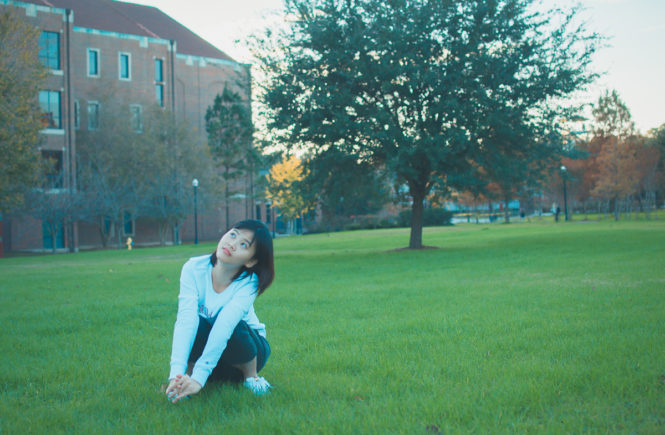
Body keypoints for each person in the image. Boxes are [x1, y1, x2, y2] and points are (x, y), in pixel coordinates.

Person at [165, 220, 275, 403]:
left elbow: (225, 326)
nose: (232, 244)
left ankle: (252, 378)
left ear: (251, 261)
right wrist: (175, 373)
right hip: (218, 359)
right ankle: (184, 381)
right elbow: (186, 321)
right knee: (197, 322)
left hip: (249, 352)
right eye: (233, 234)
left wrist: (201, 378)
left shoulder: (249, 282)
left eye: (243, 245)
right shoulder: (193, 268)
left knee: (233, 325)